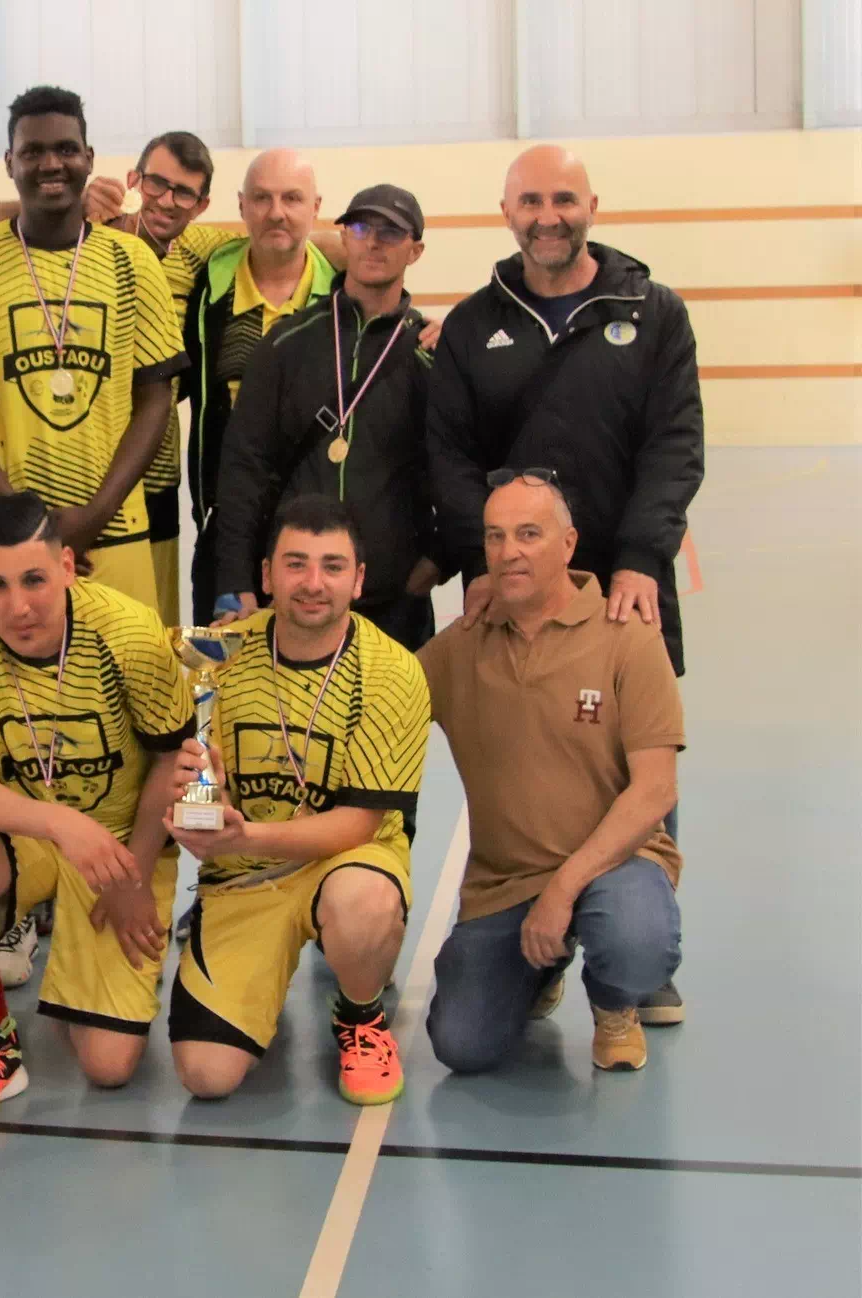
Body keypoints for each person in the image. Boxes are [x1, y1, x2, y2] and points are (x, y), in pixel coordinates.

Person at [424, 143, 702, 1022]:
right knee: (526, 752)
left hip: (624, 584)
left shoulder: (651, 313)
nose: (550, 216)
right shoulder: (473, 326)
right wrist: (488, 565)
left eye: (565, 199)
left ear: (592, 205)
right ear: (506, 211)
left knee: (636, 748)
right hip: (510, 589)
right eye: (532, 200)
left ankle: (637, 959)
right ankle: (529, 945)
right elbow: (451, 460)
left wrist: (640, 559)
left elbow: (674, 445)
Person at [0, 492, 191, 1124]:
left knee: (109, 1068)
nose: (19, 605)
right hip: (30, 831)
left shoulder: (129, 630)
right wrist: (63, 825)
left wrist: (134, 875)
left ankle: (92, 978)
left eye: (35, 579)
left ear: (67, 565)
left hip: (121, 838)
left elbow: (176, 759)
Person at [163, 495, 430, 1106]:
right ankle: (248, 967)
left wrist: (240, 836)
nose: (314, 584)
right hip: (246, 878)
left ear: (359, 580)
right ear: (266, 575)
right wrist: (195, 799)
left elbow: (359, 823)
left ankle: (361, 1015)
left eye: (333, 566)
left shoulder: (393, 671)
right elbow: (195, 779)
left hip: (347, 862)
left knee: (361, 900)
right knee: (205, 1076)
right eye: (296, 564)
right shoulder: (212, 654)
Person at [420, 472, 682, 1074]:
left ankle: (616, 1002)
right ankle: (541, 965)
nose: (509, 551)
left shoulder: (629, 639)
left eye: (529, 534)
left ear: (569, 544)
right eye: (495, 536)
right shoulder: (462, 645)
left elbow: (656, 790)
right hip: (505, 882)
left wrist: (563, 889)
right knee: (460, 1044)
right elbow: (384, 694)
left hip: (614, 867)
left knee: (636, 940)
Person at [0, 132, 236, 628]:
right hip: (40, 476)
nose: (166, 200)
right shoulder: (83, 226)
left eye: (184, 192)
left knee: (145, 632)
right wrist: (59, 200)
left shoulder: (199, 250)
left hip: (146, 476)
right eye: (157, 183)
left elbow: (288, 239)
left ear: (200, 206)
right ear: (133, 179)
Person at [212, 184, 444, 650]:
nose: (373, 241)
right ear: (344, 236)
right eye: (360, 227)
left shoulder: (433, 353)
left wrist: (441, 559)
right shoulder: (286, 343)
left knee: (392, 723)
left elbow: (460, 465)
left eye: (390, 232)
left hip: (394, 599)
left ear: (415, 250)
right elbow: (244, 466)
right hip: (299, 595)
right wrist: (235, 574)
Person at [183, 149, 339, 625]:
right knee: (223, 687)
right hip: (227, 530)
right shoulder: (208, 287)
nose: (277, 212)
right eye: (262, 198)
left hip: (322, 535)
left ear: (316, 207)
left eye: (292, 198)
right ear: (241, 206)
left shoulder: (345, 294)